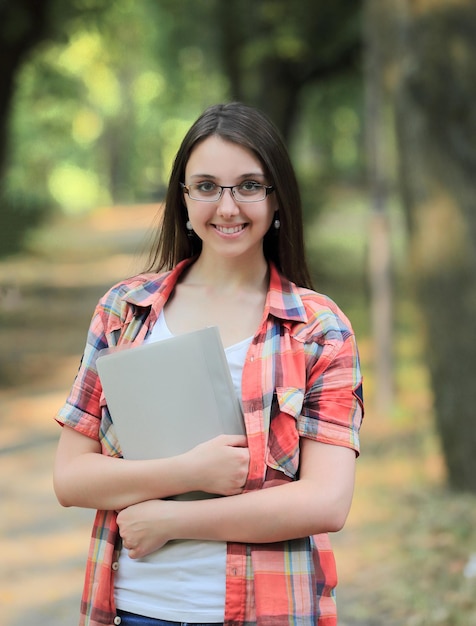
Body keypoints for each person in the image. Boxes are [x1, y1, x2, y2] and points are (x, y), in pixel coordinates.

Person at [53, 102, 364, 626]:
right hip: (137, 608)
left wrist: (174, 519)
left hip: (269, 610)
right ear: (184, 198)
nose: (227, 207)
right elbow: (71, 477)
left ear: (277, 197)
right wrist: (190, 471)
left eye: (248, 185)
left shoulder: (317, 327)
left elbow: (326, 503)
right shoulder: (125, 313)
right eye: (206, 186)